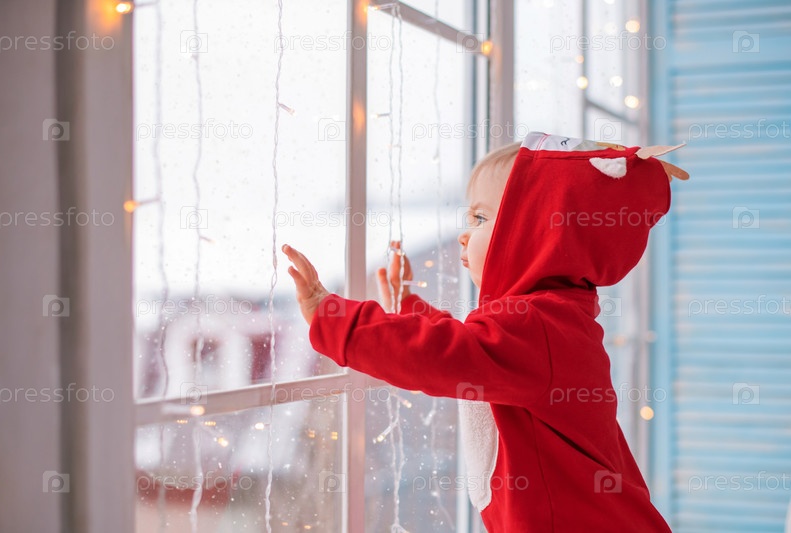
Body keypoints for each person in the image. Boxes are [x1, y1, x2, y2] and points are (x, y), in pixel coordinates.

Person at [282, 131, 688, 531]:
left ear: (539, 233)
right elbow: (474, 349)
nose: (464, 233)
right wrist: (410, 308)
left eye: (480, 218)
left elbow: (444, 355)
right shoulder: (550, 316)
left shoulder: (539, 324)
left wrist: (333, 318)